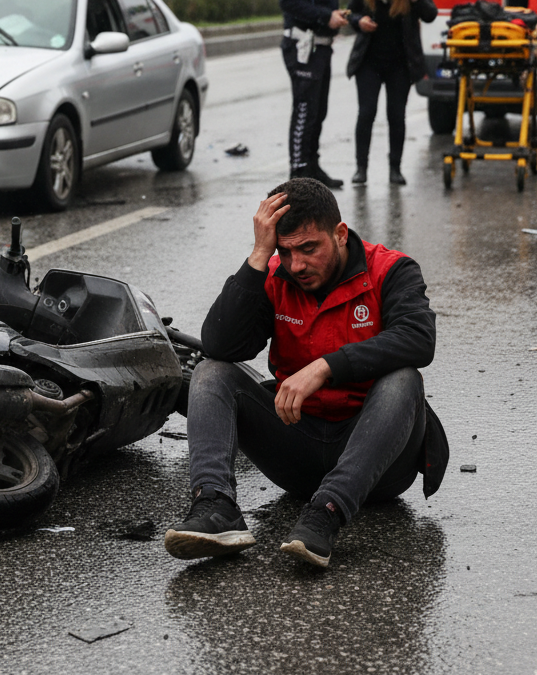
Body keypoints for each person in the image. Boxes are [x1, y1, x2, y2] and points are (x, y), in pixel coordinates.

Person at [164, 178, 447, 568]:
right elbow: (221, 346)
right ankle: (216, 507)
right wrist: (260, 255)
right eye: (286, 250)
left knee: (405, 380)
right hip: (299, 449)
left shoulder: (391, 270)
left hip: (379, 462)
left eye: (309, 248)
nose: (297, 264)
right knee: (210, 373)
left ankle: (325, 515)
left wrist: (326, 367)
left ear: (341, 233)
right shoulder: (276, 272)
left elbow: (419, 340)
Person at [346, 0, 438, 186]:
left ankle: (395, 169)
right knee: (366, 113)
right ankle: (361, 168)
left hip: (400, 64)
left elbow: (430, 14)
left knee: (396, 116)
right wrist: (359, 21)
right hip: (369, 62)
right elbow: (351, 12)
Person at [279, 0, 351, 189]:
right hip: (302, 46)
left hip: (322, 47)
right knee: (305, 110)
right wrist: (325, 16)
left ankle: (312, 166)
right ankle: (298, 172)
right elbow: (289, 1)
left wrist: (338, 16)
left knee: (319, 110)